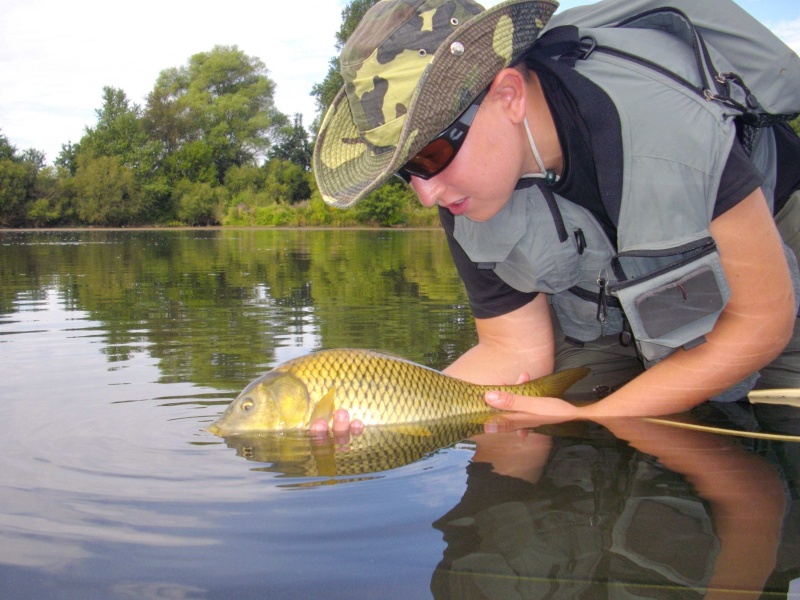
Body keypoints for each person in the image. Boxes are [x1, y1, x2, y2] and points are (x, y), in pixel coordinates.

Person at [311, 0, 800, 430]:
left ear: (508, 96)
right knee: (534, 434)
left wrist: (594, 417)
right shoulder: (460, 187)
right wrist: (386, 413)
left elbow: (762, 321)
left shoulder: (669, 127)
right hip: (622, 311)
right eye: (406, 170)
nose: (424, 193)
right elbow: (513, 350)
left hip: (770, 266)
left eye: (430, 155)